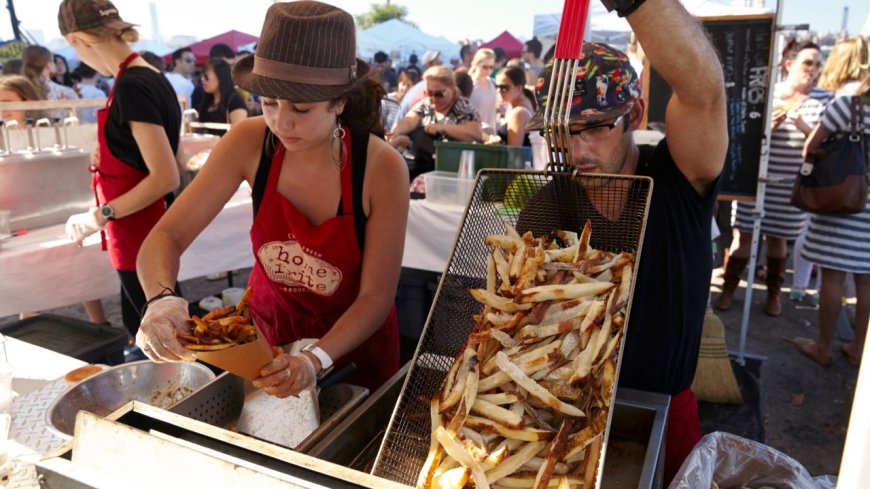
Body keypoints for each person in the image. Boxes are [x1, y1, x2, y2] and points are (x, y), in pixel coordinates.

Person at [135, 1, 408, 396]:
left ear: (340, 102)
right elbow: (167, 236)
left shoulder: (380, 168)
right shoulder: (250, 142)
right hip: (265, 345)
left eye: (301, 108)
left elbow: (376, 297)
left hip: (350, 351)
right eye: (268, 103)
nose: (281, 122)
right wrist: (161, 300)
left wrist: (313, 359)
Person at [519, 0, 727, 481]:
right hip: (561, 415)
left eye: (594, 127)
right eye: (562, 133)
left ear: (633, 114)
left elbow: (703, 91)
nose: (577, 151)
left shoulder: (679, 178)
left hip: (665, 410)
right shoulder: (547, 206)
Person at [58, 0, 182, 340]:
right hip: (141, 231)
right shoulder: (149, 77)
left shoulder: (132, 86)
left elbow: (166, 175)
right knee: (153, 328)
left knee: (164, 336)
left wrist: (100, 215)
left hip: (141, 236)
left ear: (76, 41)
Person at [720, 42, 831, 316]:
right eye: (808, 63)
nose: (814, 70)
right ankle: (728, 290)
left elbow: (828, 147)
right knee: (743, 234)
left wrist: (805, 129)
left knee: (778, 239)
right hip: (755, 178)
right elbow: (740, 131)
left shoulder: (825, 99)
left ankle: (773, 295)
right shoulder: (767, 93)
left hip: (791, 181)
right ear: (790, 64)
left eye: (818, 64)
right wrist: (765, 128)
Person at [792, 75, 870, 368]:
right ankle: (860, 349)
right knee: (866, 280)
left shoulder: (846, 107)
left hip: (840, 199)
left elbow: (811, 146)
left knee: (833, 276)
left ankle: (824, 346)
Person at [388, 65, 482, 178]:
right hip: (418, 171)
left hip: (448, 173)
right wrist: (396, 131)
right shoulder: (425, 105)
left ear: (452, 88)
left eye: (438, 94)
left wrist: (443, 127)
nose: (433, 98)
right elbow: (408, 121)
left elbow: (476, 132)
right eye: (428, 93)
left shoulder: (464, 108)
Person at [196, 59, 248, 135]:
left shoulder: (235, 101)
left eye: (206, 76)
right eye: (202, 76)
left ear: (221, 76)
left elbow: (238, 135)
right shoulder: (206, 100)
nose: (202, 79)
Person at [494, 65, 535, 146]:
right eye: (496, 86)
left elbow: (513, 150)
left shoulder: (519, 113)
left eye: (504, 87)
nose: (499, 91)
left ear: (519, 88)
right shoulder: (522, 106)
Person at [467, 48, 497, 129]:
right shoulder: (469, 84)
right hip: (474, 132)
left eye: (491, 67)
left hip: (491, 132)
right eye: (485, 67)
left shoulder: (494, 84)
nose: (488, 70)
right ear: (476, 64)